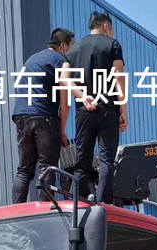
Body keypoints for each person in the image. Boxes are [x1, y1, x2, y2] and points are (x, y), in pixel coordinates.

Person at [64, 12, 129, 204]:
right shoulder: (112, 45)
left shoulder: (73, 51)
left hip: (84, 112)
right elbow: (119, 78)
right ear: (106, 26)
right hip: (108, 109)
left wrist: (83, 97)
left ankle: (79, 205)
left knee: (82, 163)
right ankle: (103, 205)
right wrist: (124, 110)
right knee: (106, 161)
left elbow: (64, 79)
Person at [11, 28, 75, 203]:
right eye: (71, 46)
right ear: (63, 46)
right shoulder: (61, 61)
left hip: (21, 115)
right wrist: (62, 130)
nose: (71, 51)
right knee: (47, 168)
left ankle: (15, 210)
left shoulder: (32, 59)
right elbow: (65, 103)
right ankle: (45, 210)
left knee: (24, 170)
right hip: (44, 116)